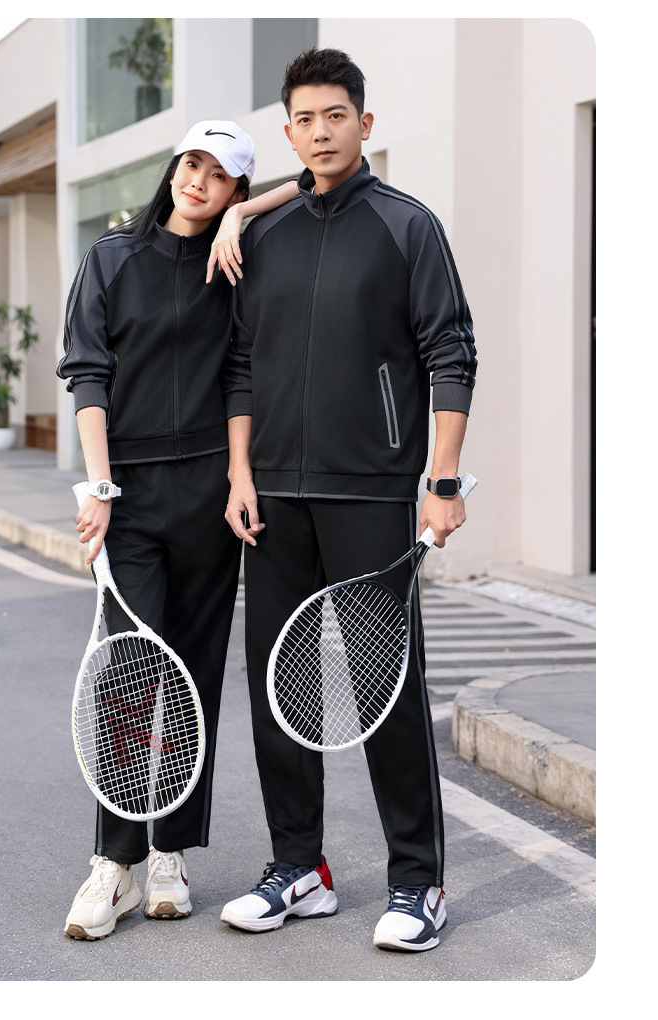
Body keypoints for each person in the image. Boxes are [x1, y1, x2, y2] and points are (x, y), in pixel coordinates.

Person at [219, 48, 478, 952]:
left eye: (337, 115)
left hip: (371, 493)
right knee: (279, 685)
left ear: (364, 124)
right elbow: (241, 365)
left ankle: (418, 880)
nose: (321, 132)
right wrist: (240, 474)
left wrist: (441, 480)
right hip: (273, 499)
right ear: (287, 132)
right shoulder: (265, 234)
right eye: (305, 119)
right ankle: (300, 867)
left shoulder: (408, 226)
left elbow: (451, 352)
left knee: (384, 688)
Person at [56, 121, 297, 941]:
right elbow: (88, 371)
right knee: (129, 674)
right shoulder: (111, 259)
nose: (199, 180)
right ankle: (114, 864)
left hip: (207, 496)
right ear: (173, 168)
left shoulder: (234, 266)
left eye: (220, 175)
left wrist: (244, 220)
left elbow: (240, 374)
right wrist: (99, 487)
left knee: (194, 676)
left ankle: (170, 854)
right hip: (127, 497)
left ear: (235, 190)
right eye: (192, 163)